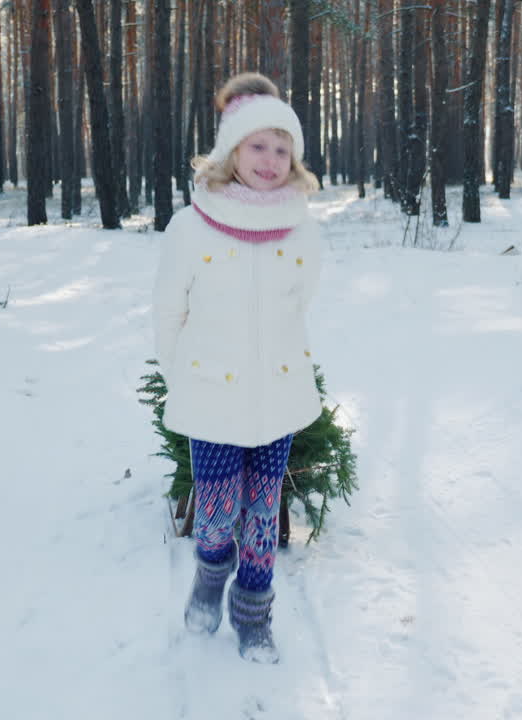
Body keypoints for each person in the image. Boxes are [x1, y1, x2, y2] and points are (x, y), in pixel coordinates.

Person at [152, 73, 322, 664]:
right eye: (258, 146)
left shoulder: (304, 231)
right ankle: (208, 576)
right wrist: (189, 382)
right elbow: (168, 315)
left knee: (260, 512)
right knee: (219, 512)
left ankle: (253, 615)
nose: (271, 161)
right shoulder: (190, 226)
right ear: (230, 151)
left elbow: (299, 305)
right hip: (211, 400)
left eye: (283, 149)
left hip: (277, 401)